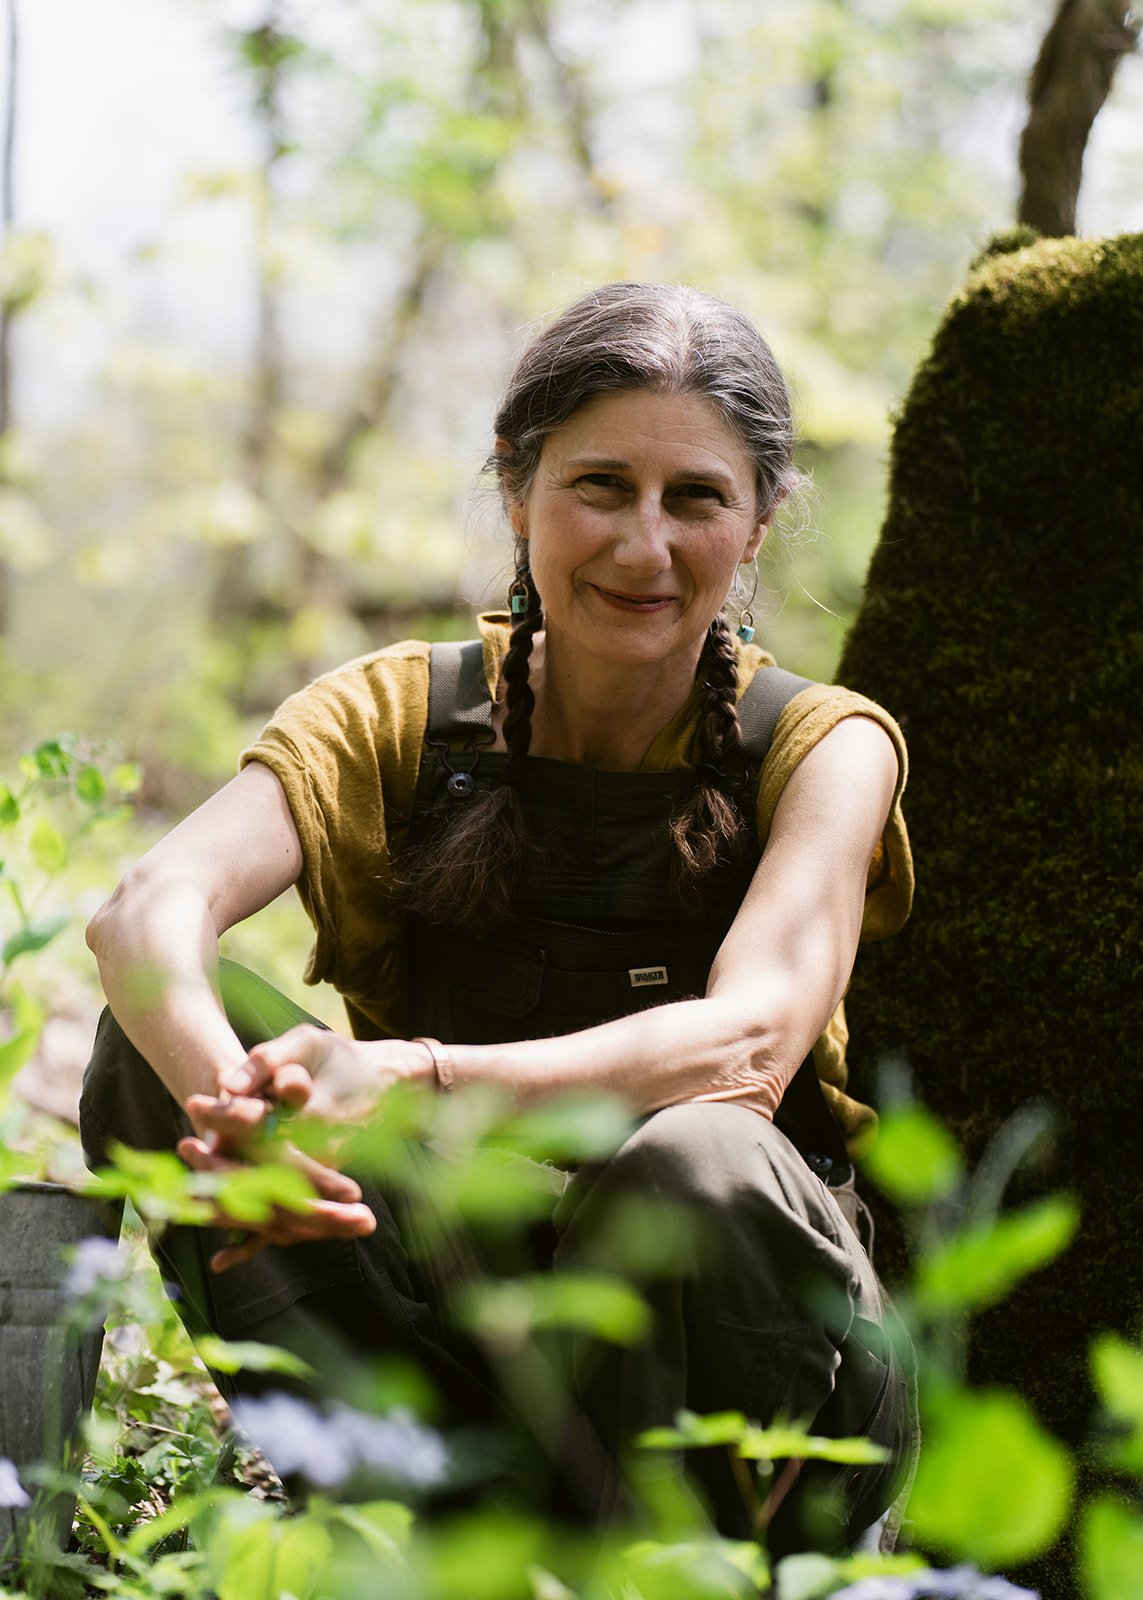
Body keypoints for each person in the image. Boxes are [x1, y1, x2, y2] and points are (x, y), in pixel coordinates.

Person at [80, 281, 914, 1554]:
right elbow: (146, 913)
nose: (645, 545)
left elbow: (746, 1049)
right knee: (154, 1054)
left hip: (766, 1389)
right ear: (517, 489)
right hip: (471, 1331)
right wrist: (236, 1120)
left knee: (692, 1161)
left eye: (695, 497)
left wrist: (412, 1075)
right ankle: (415, 1529)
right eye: (599, 486)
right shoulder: (396, 714)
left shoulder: (822, 747)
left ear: (757, 527)